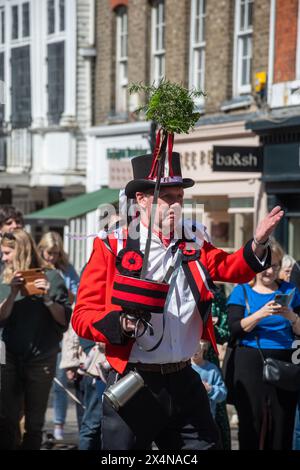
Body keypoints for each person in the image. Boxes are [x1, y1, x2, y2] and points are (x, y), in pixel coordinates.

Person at [72, 151, 283, 450]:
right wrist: (120, 323)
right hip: (134, 380)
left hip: (185, 377)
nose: (175, 204)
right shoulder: (111, 245)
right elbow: (82, 315)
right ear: (142, 199)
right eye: (166, 196)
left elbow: (230, 268)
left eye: (179, 197)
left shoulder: (194, 239)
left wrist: (258, 241)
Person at [0, 229, 71, 450]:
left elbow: (64, 321)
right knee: (6, 420)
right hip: (9, 357)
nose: (3, 258)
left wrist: (48, 298)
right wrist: (11, 294)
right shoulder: (4, 278)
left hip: (41, 360)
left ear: (21, 250)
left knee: (34, 424)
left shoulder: (51, 276)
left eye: (7, 253)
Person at [227, 241, 300, 450]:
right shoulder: (242, 290)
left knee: (282, 423)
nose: (270, 271)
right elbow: (235, 329)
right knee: (252, 423)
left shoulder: (290, 290)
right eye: (265, 265)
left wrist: (291, 316)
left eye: (275, 266)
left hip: (284, 361)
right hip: (250, 361)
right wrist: (260, 314)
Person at [38, 231, 79, 441]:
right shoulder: (37, 268)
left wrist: (63, 291)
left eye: (55, 253)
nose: (51, 258)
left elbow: (77, 295)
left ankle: (59, 424)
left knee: (60, 380)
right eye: (48, 253)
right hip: (41, 329)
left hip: (62, 326)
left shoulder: (66, 270)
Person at [191, 340, 227, 422]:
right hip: (187, 419)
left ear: (204, 347)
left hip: (207, 419)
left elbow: (223, 394)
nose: (195, 350)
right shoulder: (184, 369)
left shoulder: (212, 370)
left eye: (198, 347)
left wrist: (209, 389)